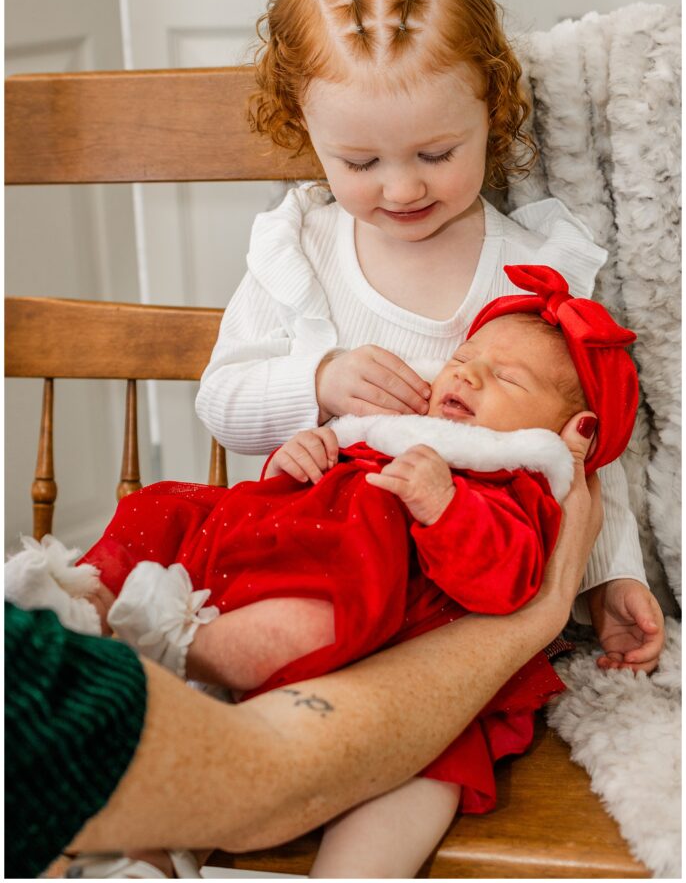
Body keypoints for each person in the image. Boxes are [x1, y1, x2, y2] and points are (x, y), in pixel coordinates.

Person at [8, 267, 664, 878]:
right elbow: (292, 518)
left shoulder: (517, 484)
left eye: (508, 379)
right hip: (309, 612)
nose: (467, 376)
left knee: (416, 786)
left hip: (419, 665)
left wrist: (446, 506)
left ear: (567, 432)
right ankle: (147, 833)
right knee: (171, 521)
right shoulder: (393, 433)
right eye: (464, 361)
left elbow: (505, 582)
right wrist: (301, 456)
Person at [194, 0, 651, 646]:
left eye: (437, 154)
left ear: (493, 110)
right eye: (360, 161)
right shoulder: (301, 251)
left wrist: (610, 575)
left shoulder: (535, 272)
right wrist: (315, 381)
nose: (403, 188)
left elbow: (582, 448)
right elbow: (221, 400)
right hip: (320, 579)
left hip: (472, 612)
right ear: (304, 127)